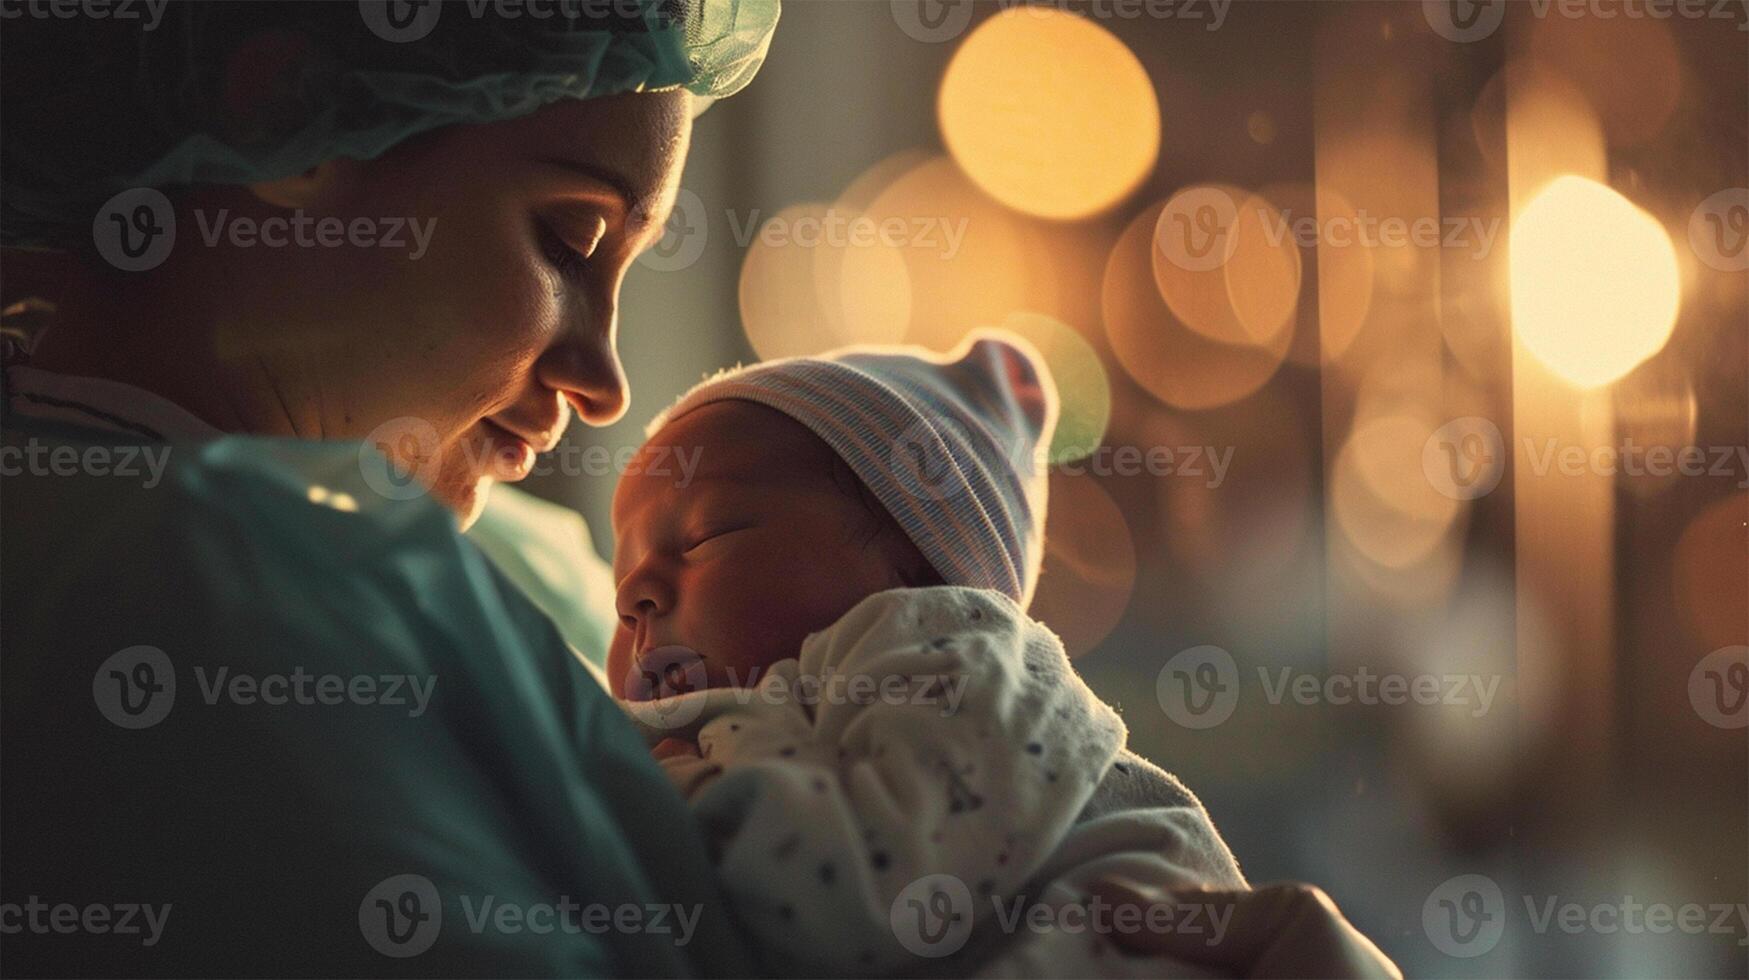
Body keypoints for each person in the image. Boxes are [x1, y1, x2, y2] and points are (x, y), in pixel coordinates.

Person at [0, 2, 1399, 976]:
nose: (604, 377)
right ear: (290, 106)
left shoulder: (496, 576)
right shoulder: (182, 597)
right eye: (567, 233)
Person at [606, 332, 1248, 977]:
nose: (634, 592)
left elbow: (855, 900)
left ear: (911, 567)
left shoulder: (958, 656)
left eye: (707, 534)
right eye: (621, 572)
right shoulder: (782, 712)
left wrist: (670, 789)